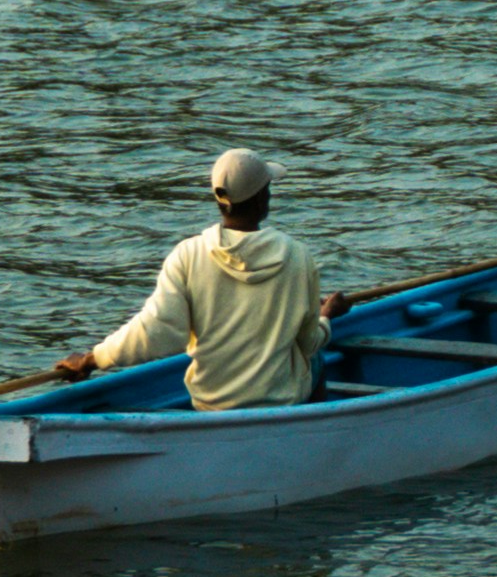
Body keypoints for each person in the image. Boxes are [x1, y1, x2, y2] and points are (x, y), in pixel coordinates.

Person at [40, 148, 329, 407]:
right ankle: (314, 430)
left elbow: (155, 329)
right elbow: (308, 342)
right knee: (317, 356)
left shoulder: (188, 255)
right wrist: (325, 317)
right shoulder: (297, 256)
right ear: (261, 198)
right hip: (279, 400)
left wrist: (92, 359)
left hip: (212, 404)